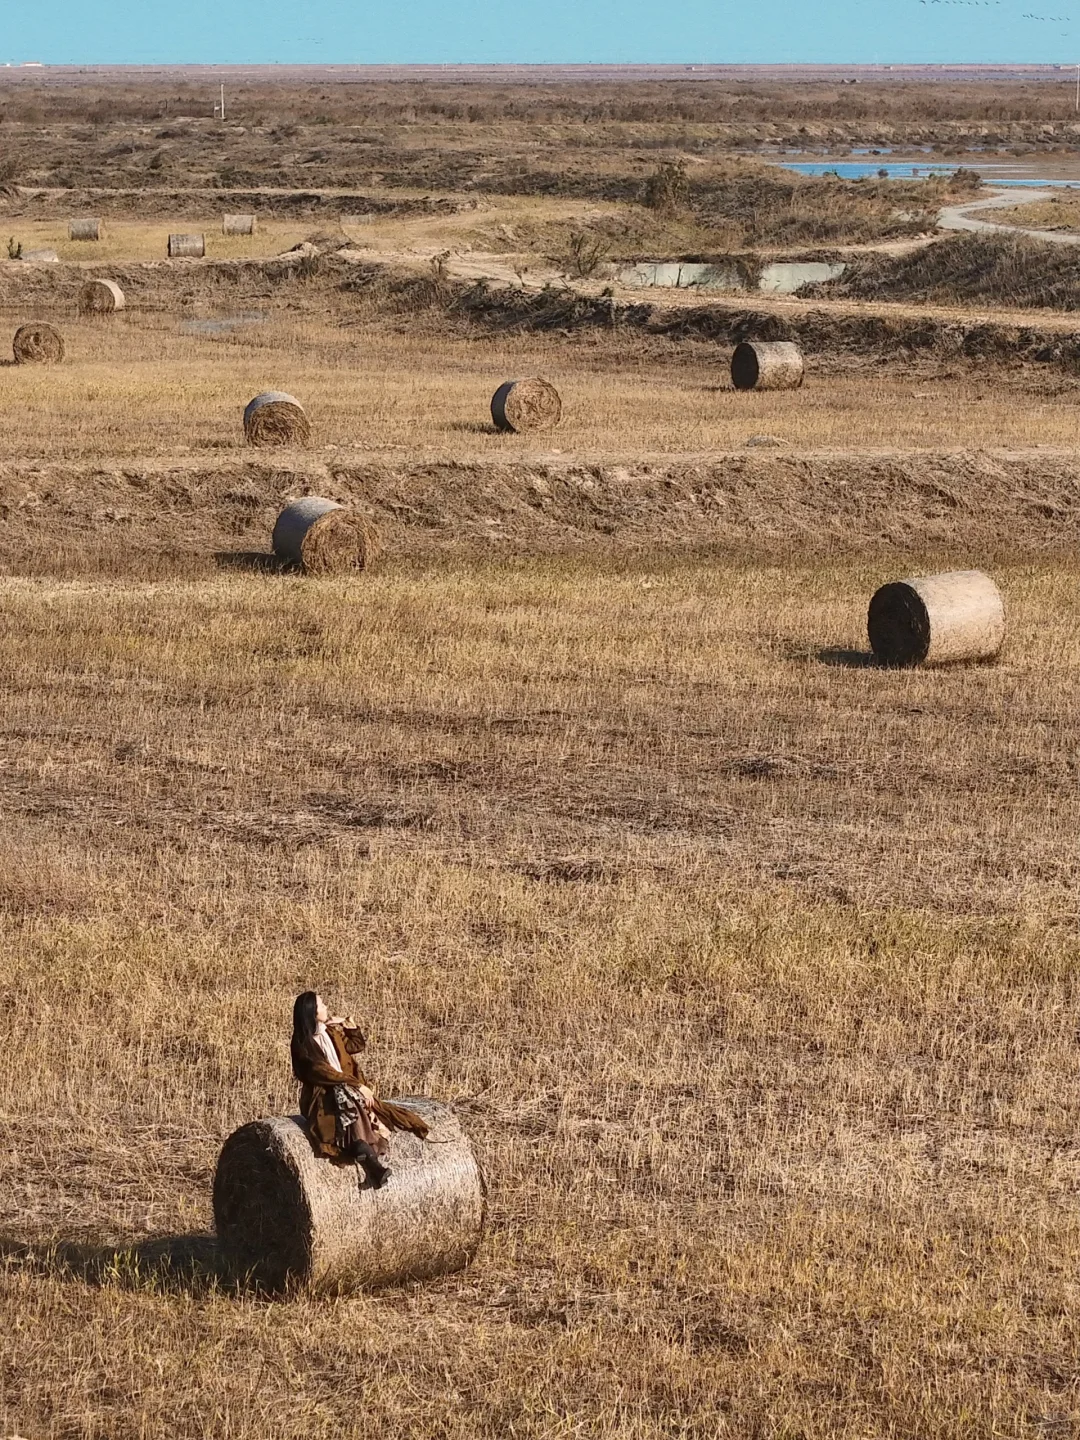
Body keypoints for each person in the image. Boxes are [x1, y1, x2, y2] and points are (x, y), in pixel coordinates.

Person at [291, 991, 429, 1190]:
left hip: (347, 1085)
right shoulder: (302, 1045)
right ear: (312, 1012)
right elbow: (322, 1073)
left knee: (357, 1103)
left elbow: (355, 1046)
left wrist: (350, 1027)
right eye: (322, 1005)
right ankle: (370, 1160)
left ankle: (368, 1158)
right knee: (350, 1102)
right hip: (323, 1096)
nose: (326, 1007)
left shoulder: (330, 1032)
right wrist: (357, 1085)